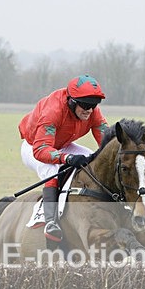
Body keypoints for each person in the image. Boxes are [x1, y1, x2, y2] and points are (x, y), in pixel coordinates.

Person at [18, 74, 109, 242]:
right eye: (85, 105)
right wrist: (67, 158)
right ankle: (51, 222)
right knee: (53, 170)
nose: (89, 110)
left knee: (93, 161)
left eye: (94, 105)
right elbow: (41, 150)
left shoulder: (93, 112)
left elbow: (107, 143)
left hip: (62, 144)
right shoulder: (52, 111)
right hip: (34, 146)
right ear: (72, 101)